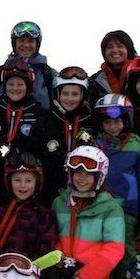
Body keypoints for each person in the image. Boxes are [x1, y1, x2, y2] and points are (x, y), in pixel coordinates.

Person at [52, 146, 125, 279]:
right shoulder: (60, 203)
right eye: (77, 173)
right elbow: (53, 235)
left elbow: (115, 249)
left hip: (90, 275)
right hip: (63, 271)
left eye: (88, 174)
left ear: (99, 177)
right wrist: (56, 255)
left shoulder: (110, 208)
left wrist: (88, 275)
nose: (82, 178)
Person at [92, 94, 140, 279]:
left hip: (125, 210)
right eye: (108, 123)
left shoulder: (138, 148)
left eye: (118, 121)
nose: (113, 127)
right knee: (98, 250)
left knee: (123, 252)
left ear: (126, 121)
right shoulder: (93, 147)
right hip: (97, 209)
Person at [0, 57, 44, 202]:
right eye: (10, 84)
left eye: (20, 84)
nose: (15, 88)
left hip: (24, 182)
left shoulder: (38, 113)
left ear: (28, 86)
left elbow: (41, 146)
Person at [40, 67, 96, 203]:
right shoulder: (46, 121)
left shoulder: (91, 122)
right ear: (57, 94)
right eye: (65, 94)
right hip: (50, 193)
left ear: (83, 96)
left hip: (84, 192)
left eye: (75, 94)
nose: (70, 99)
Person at [0, 21, 57, 111]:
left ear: (37, 44)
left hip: (41, 119)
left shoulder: (49, 74)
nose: (26, 45)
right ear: (14, 43)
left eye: (31, 41)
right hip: (4, 119)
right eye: (21, 40)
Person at [88, 30, 138, 106]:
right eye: (110, 47)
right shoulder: (94, 81)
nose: (115, 50)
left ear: (128, 49)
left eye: (120, 46)